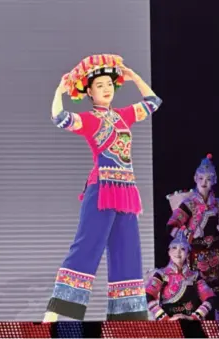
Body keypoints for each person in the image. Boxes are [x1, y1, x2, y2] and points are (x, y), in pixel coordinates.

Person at [43, 54, 163, 321]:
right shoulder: (89, 119)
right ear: (89, 92)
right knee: (88, 246)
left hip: (126, 191)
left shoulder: (123, 115)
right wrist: (59, 91)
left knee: (127, 251)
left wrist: (134, 77)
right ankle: (58, 310)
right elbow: (60, 118)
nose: (107, 88)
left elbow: (153, 102)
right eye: (100, 85)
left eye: (110, 83)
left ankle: (128, 319)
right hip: (101, 189)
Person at [166, 154, 219, 320]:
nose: (204, 182)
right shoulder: (188, 204)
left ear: (215, 180)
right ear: (195, 178)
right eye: (201, 178)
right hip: (195, 258)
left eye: (209, 178)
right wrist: (189, 233)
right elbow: (172, 227)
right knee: (200, 298)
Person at [145, 232, 216, 320]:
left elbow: (210, 297)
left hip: (190, 324)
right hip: (168, 325)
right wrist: (164, 318)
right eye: (174, 248)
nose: (178, 252)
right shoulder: (161, 274)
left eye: (183, 249)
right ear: (169, 251)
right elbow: (148, 296)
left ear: (188, 253)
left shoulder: (195, 276)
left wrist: (194, 317)